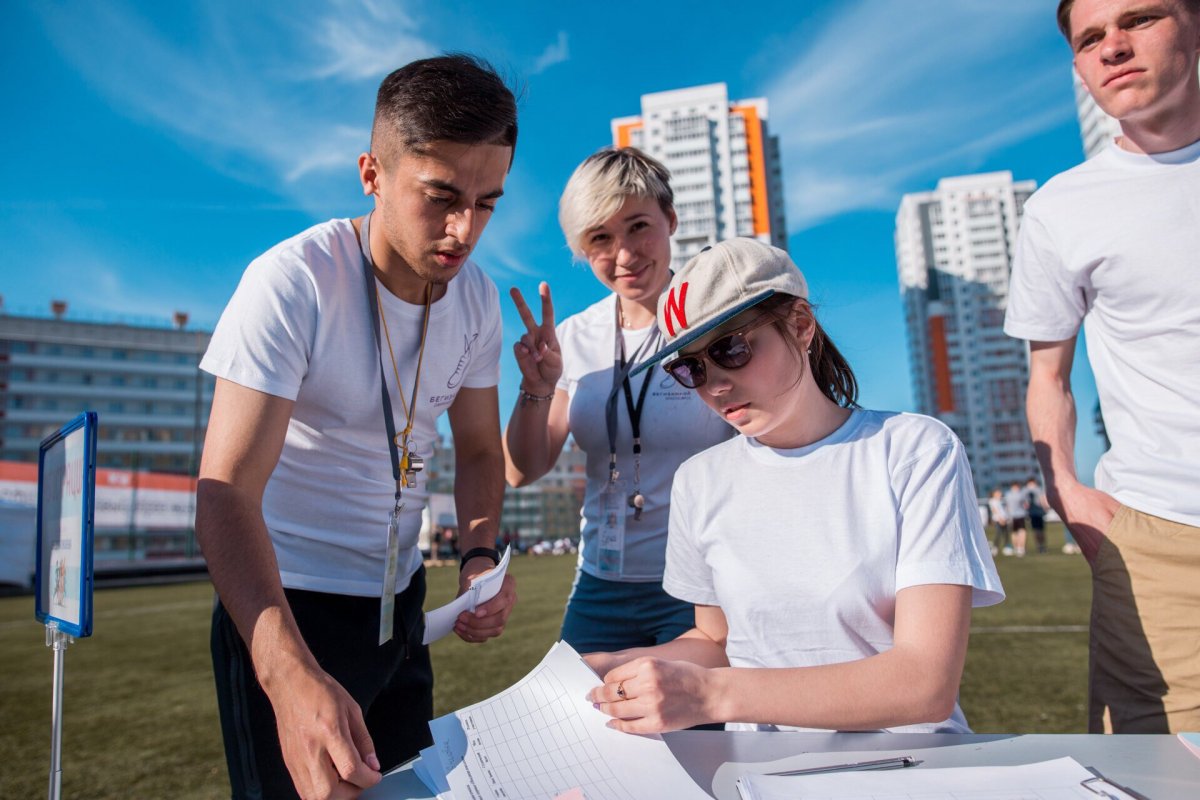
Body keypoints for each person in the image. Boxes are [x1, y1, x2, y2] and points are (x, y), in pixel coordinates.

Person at [196, 55, 519, 799]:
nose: (464, 229)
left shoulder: (474, 302)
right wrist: (287, 673)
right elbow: (224, 494)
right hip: (288, 608)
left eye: (488, 202)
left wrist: (475, 555)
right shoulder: (294, 281)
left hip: (401, 606)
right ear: (372, 174)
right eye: (439, 197)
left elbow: (476, 448)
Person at [584, 238, 1004, 734]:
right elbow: (716, 641)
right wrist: (610, 665)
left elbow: (924, 684)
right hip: (754, 772)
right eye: (690, 367)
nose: (714, 384)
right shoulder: (699, 481)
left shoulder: (913, 451)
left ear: (801, 326)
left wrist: (711, 695)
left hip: (905, 766)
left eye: (730, 349)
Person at [1005, 0, 1200, 733]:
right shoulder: (1063, 209)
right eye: (1090, 39)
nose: (1113, 47)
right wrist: (1068, 494)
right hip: (1161, 543)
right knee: (1159, 777)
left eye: (1139, 18)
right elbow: (1047, 380)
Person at [503, 147, 735, 653]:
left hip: (702, 586)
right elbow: (523, 469)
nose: (625, 255)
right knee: (581, 724)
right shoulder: (576, 336)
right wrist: (537, 389)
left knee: (694, 727)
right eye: (601, 238)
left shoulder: (718, 324)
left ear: (671, 220)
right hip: (600, 582)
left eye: (638, 227)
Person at [1005, 481, 1030, 557]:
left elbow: (1007, 506)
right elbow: (1026, 505)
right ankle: (1021, 548)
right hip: (1020, 515)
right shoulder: (1021, 494)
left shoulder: (1008, 494)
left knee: (1014, 532)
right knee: (1022, 531)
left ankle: (1016, 548)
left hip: (1011, 516)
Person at [1025, 477, 1049, 554]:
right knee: (1040, 530)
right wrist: (1045, 508)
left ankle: (1040, 546)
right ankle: (1042, 546)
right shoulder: (1038, 489)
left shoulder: (1026, 490)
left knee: (1037, 530)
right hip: (1037, 512)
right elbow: (1043, 499)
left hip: (1034, 513)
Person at [987, 487, 1011, 556]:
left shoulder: (1001, 501)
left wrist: (1006, 518)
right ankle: (995, 548)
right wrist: (1000, 519)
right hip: (998, 520)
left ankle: (1007, 547)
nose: (1000, 494)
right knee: (999, 534)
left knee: (1006, 534)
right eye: (998, 493)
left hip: (1004, 519)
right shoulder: (992, 501)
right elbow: (995, 511)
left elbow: (1005, 510)